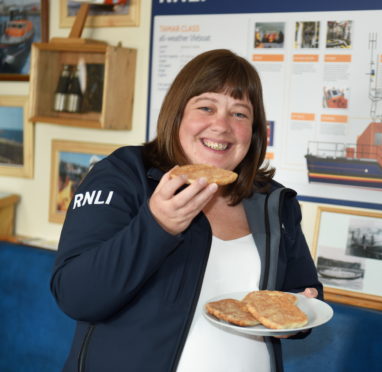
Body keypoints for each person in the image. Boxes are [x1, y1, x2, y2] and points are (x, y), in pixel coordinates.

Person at [50, 49, 323, 372]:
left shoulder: (274, 202)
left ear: (255, 130)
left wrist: (300, 310)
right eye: (206, 107)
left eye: (240, 114)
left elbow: (301, 291)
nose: (221, 126)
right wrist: (157, 225)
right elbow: (76, 296)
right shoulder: (124, 175)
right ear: (177, 114)